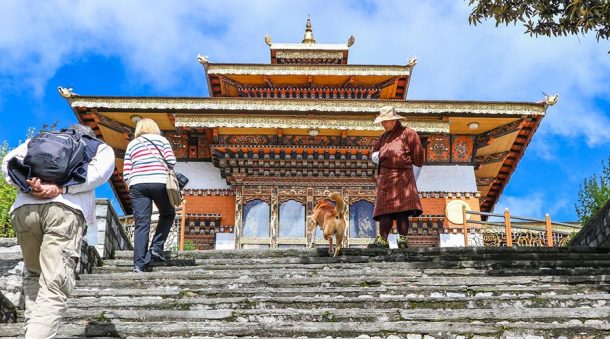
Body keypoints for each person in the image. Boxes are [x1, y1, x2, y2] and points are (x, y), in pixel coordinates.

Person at [1, 124, 114, 338]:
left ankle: (32, 332)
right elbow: (98, 175)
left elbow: (8, 163)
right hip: (64, 210)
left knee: (34, 274)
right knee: (55, 284)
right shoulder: (99, 147)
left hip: (24, 209)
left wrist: (31, 187)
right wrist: (62, 189)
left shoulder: (38, 140)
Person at [123, 118, 177, 273]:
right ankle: (156, 247)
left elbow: (127, 169)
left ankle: (138, 264)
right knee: (167, 214)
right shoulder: (162, 140)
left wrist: (131, 183)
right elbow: (171, 161)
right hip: (159, 181)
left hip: (137, 184)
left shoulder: (132, 144)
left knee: (142, 223)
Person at [369, 106, 424, 249]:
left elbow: (418, 156)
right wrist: (378, 156)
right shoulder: (383, 137)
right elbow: (374, 153)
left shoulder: (409, 134)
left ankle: (403, 239)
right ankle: (383, 240)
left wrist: (413, 178)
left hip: (404, 176)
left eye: (384, 121)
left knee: (402, 210)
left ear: (393, 120)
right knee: (384, 211)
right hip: (386, 178)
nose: (382, 124)